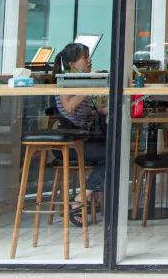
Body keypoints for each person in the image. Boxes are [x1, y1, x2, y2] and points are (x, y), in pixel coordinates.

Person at [53, 42, 106, 226]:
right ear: (71, 64)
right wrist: (91, 86)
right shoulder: (64, 81)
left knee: (115, 150)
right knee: (114, 154)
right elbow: (68, 107)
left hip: (80, 139)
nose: (89, 60)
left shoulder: (82, 81)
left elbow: (94, 110)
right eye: (85, 57)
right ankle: (80, 200)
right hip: (68, 143)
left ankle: (86, 197)